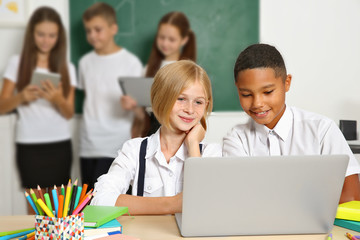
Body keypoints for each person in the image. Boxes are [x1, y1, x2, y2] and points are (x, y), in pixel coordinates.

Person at [223, 43, 360, 203]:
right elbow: (240, 197)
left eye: (267, 92)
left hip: (317, 227)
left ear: (286, 83)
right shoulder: (236, 139)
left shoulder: (322, 129)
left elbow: (352, 196)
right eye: (246, 94)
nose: (257, 103)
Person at [92, 60, 221, 214]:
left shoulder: (210, 153)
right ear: (161, 98)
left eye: (198, 102)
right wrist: (172, 204)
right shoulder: (134, 150)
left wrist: (193, 145)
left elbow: (209, 207)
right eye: (181, 99)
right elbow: (100, 200)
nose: (190, 109)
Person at [0, 7, 76, 205]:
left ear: (59, 37)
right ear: (31, 34)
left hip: (59, 145)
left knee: (60, 210)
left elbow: (69, 113)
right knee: (36, 211)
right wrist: (22, 97)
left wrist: (58, 99)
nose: (46, 40)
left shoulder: (67, 67)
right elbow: (2, 106)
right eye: (41, 34)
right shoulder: (17, 63)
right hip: (29, 145)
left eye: (52, 35)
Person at [78, 2, 143, 190]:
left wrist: (134, 106)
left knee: (110, 201)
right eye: (88, 31)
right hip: (88, 144)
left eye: (98, 30)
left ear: (113, 28)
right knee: (87, 204)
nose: (92, 35)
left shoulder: (130, 63)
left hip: (116, 145)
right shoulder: (85, 63)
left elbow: (141, 115)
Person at [121, 11, 196, 138]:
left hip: (180, 134)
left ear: (184, 40)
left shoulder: (189, 70)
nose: (165, 43)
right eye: (161, 37)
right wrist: (133, 107)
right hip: (152, 133)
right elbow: (144, 116)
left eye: (171, 39)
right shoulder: (148, 69)